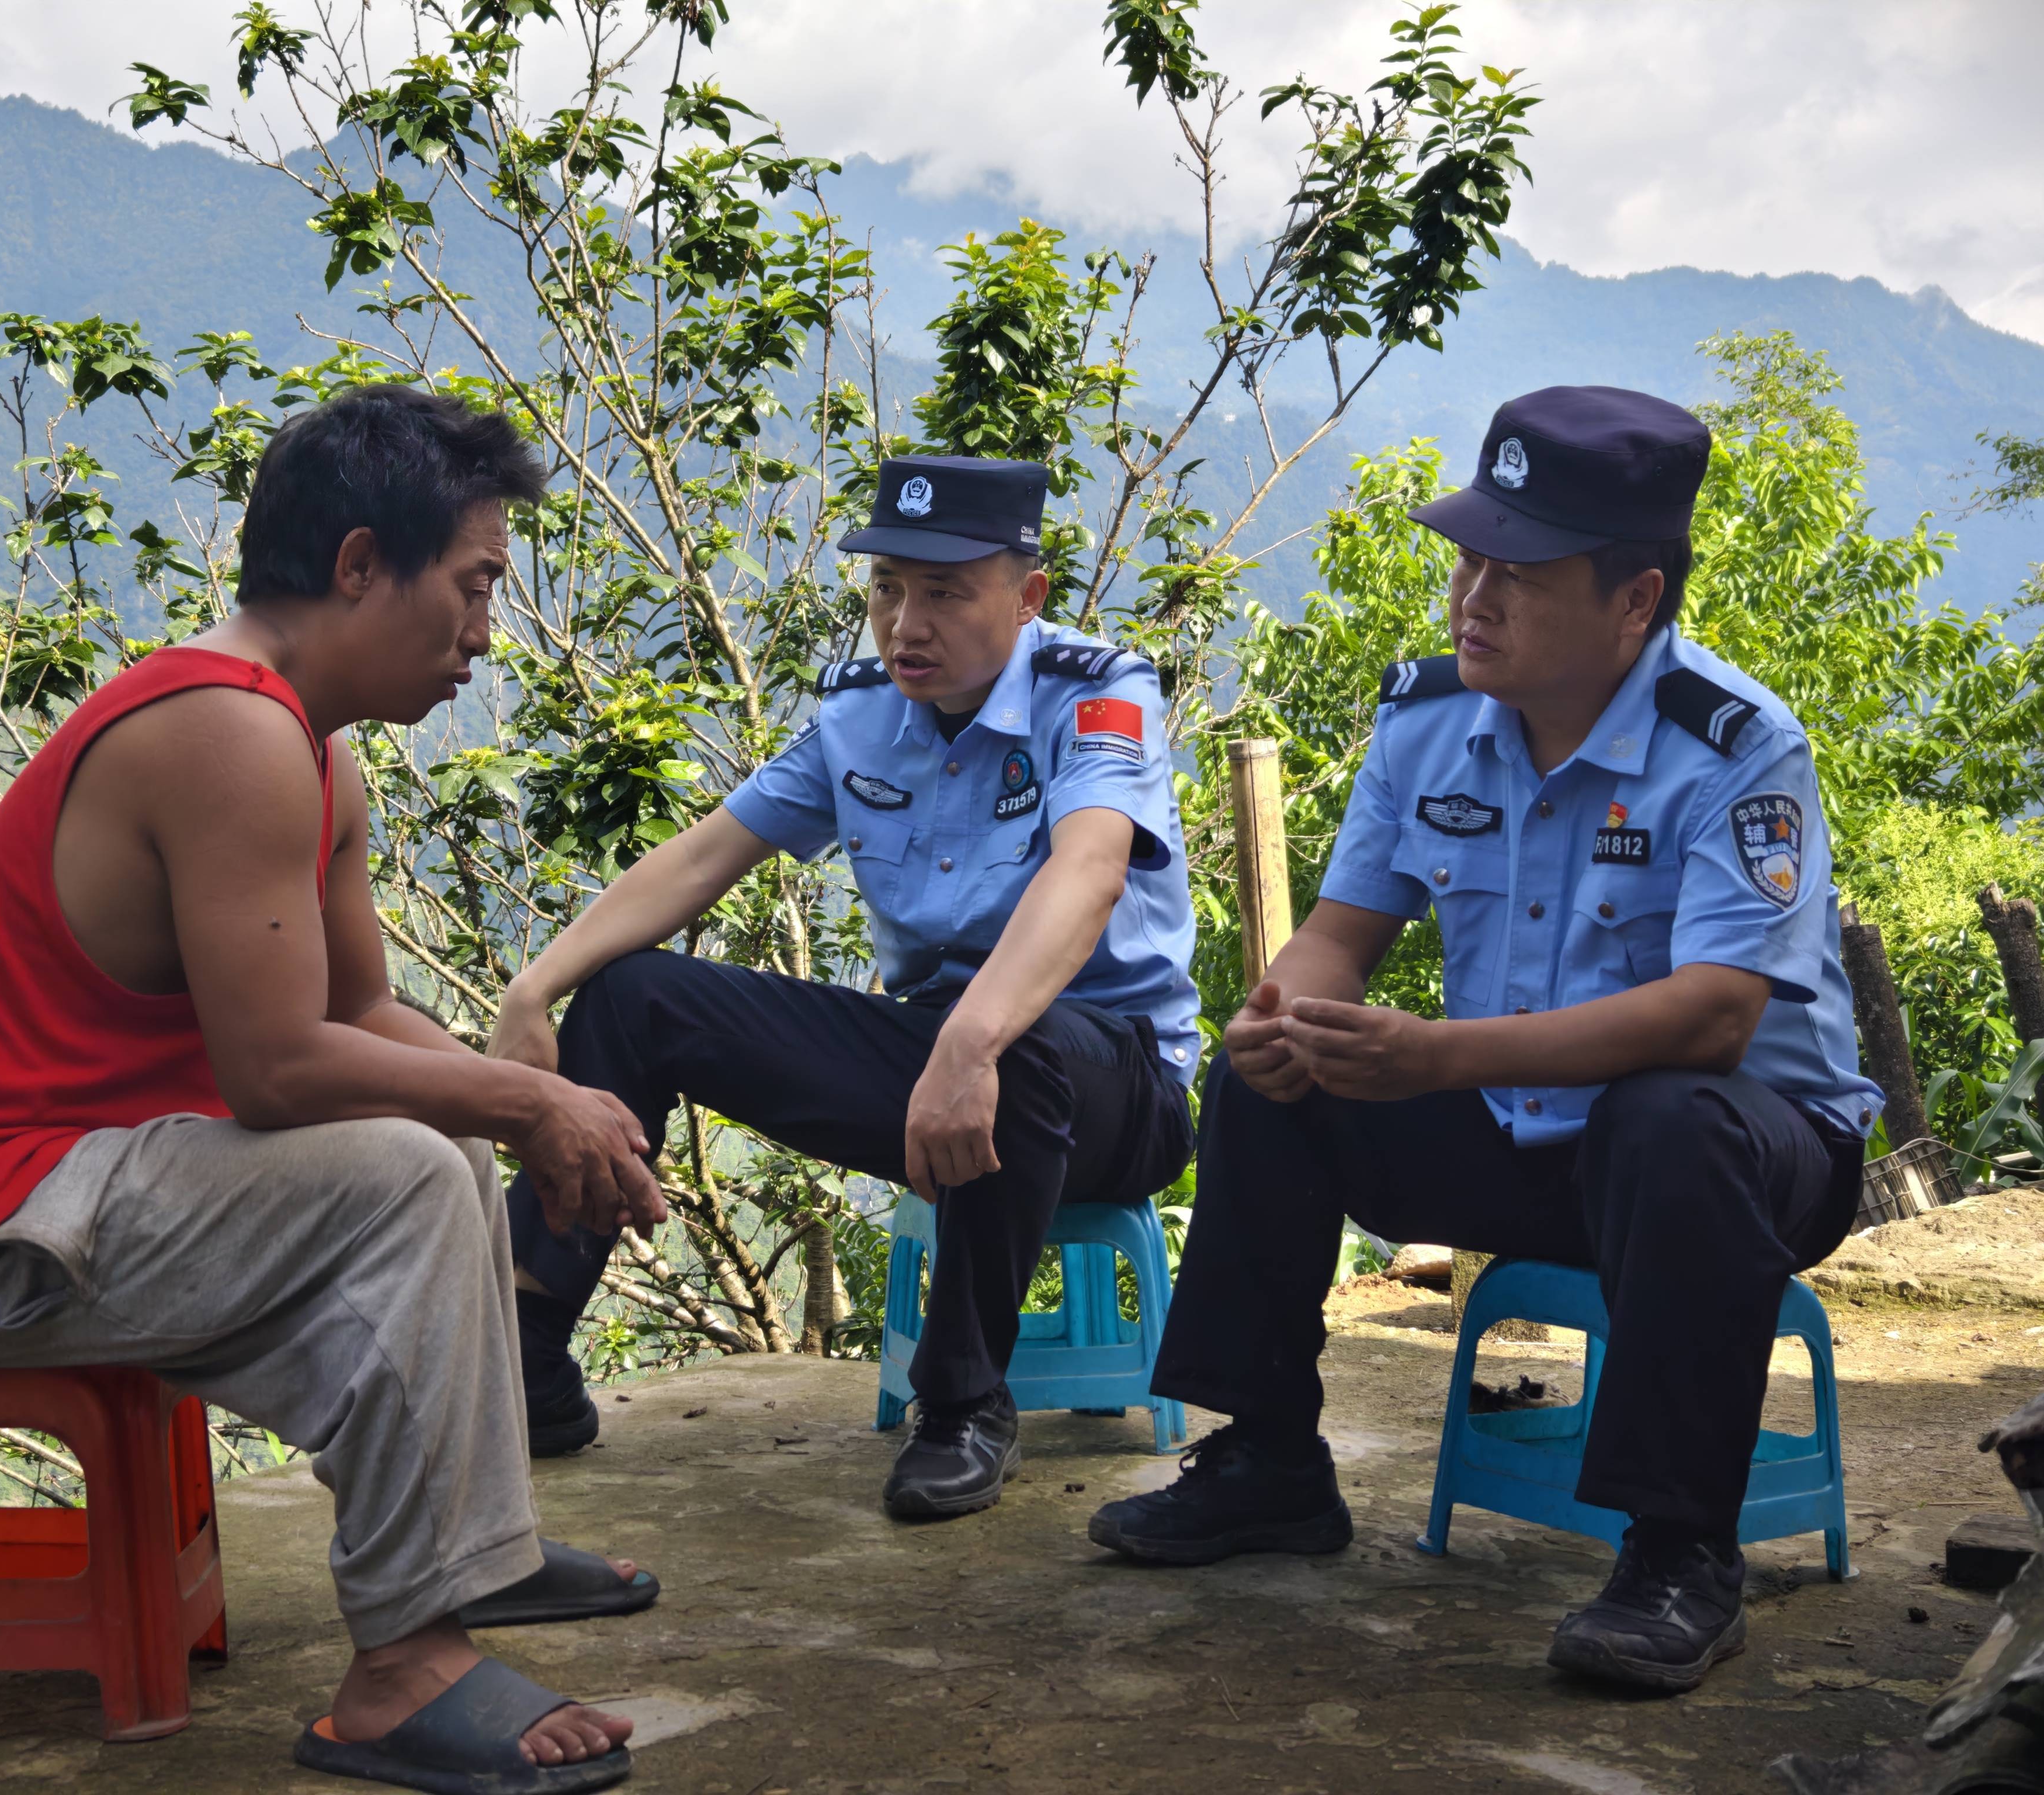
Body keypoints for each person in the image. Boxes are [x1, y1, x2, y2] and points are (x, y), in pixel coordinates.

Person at [0, 385, 662, 1793]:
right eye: (471, 588)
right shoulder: (223, 732)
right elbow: (279, 1073)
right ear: (356, 566)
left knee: (434, 1146)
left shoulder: (306, 747)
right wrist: (523, 1110)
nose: (483, 633)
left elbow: (355, 1014)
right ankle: (402, 1672)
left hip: (83, 1191)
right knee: (413, 1162)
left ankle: (466, 1556)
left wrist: (526, 1088)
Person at [1088, 386, 1882, 1694]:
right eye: (1466, 558)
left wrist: (1444, 1056)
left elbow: (1714, 1015)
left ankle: (1678, 1553)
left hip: (1743, 1160)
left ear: (1633, 600)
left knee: (1666, 1110)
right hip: (1528, 1143)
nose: (1471, 595)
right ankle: (1268, 1461)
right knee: (1269, 1081)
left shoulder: (1734, 749)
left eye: (1516, 572)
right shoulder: (1424, 725)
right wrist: (1280, 1012)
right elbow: (1338, 936)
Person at [489, 454, 1200, 1520]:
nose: (905, 624)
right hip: (936, 1064)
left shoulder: (1098, 691)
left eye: (945, 592)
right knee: (632, 998)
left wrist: (969, 1047)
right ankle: (531, 1352)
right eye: (886, 590)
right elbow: (699, 860)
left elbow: (1091, 867)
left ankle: (963, 1407)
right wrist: (530, 991)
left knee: (1016, 1042)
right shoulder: (859, 717)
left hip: (1117, 1081)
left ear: (1028, 596)